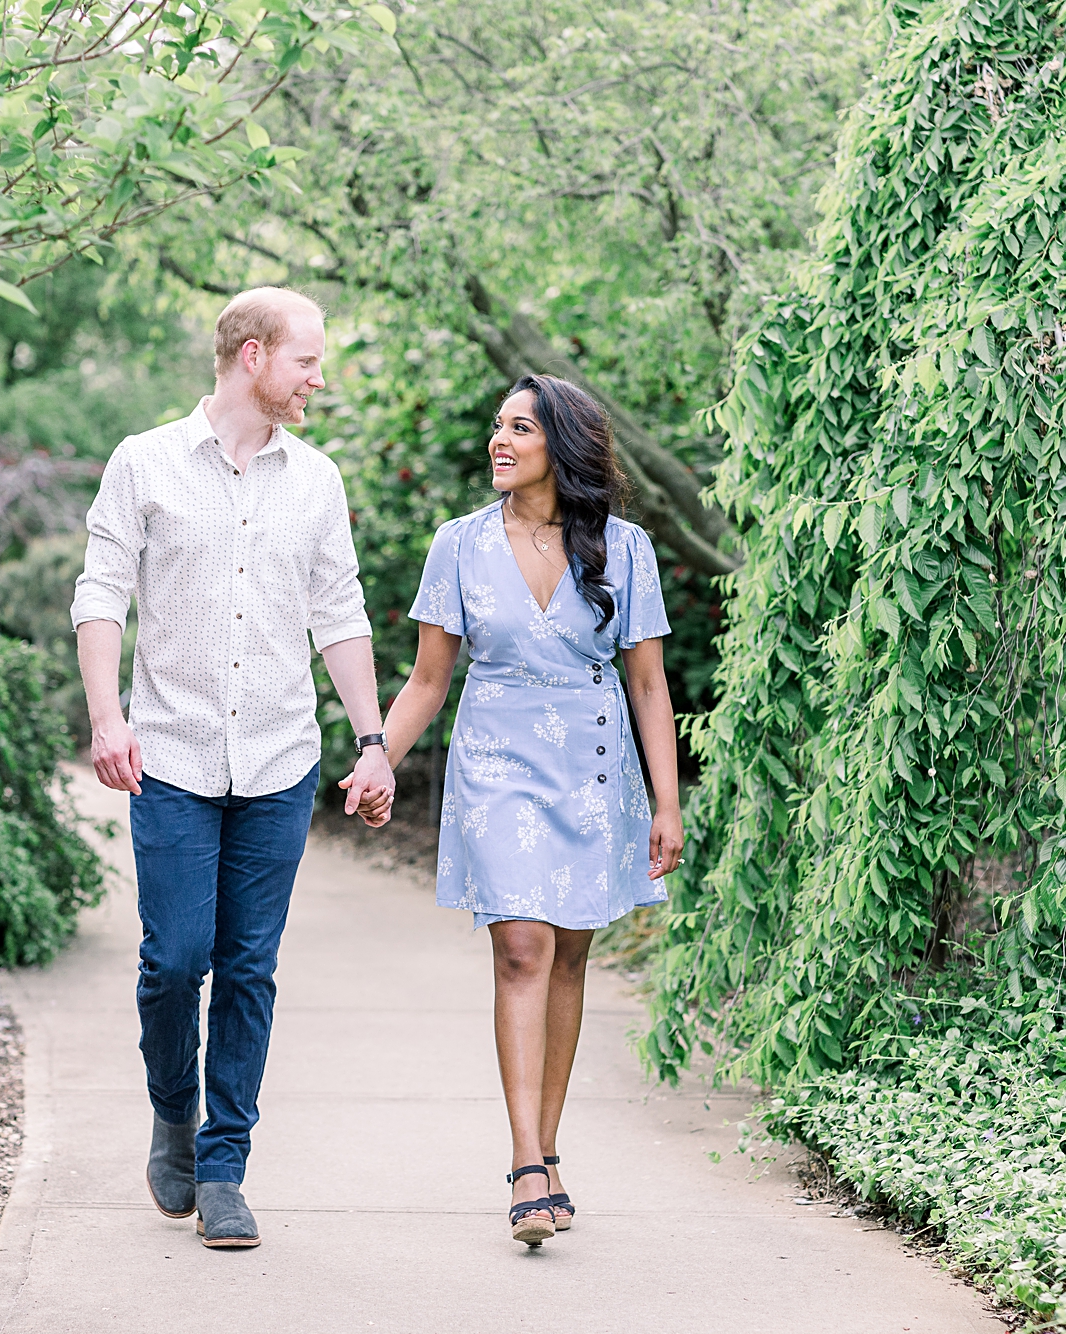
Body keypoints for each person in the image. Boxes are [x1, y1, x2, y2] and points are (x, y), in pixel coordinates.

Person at [72, 286, 397, 1251]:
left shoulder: (317, 480)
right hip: (168, 754)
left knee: (248, 969)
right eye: (307, 361)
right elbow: (101, 595)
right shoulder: (146, 463)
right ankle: (172, 1112)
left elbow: (339, 615)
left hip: (278, 760)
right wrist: (106, 717)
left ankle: (223, 1166)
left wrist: (373, 740)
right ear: (252, 356)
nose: (318, 379)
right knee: (175, 962)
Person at [356, 373, 684, 1247]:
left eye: (519, 429)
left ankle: (548, 1146)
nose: (498, 442)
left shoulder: (626, 549)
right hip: (497, 761)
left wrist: (667, 804)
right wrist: (377, 757)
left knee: (569, 955)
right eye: (496, 428)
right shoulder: (458, 545)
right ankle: (527, 1164)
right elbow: (429, 679)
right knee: (522, 948)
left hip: (595, 764)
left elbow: (647, 684)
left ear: (562, 446)